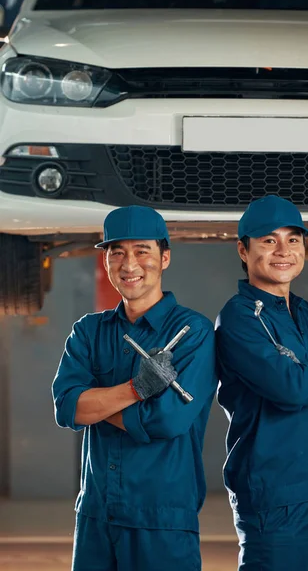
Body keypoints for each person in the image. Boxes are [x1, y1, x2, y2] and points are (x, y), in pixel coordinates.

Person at [52, 205, 217, 571]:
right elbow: (67, 408)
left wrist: (96, 399)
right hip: (96, 514)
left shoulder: (195, 332)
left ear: (165, 256)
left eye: (142, 250)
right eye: (117, 252)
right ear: (107, 261)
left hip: (162, 519)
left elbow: (166, 421)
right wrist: (137, 388)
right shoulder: (88, 331)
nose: (130, 265)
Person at [216, 195, 308, 571]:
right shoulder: (239, 319)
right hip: (274, 493)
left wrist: (307, 378)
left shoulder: (307, 312)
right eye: (268, 240)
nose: (284, 250)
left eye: (293, 239)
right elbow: (291, 389)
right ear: (243, 250)